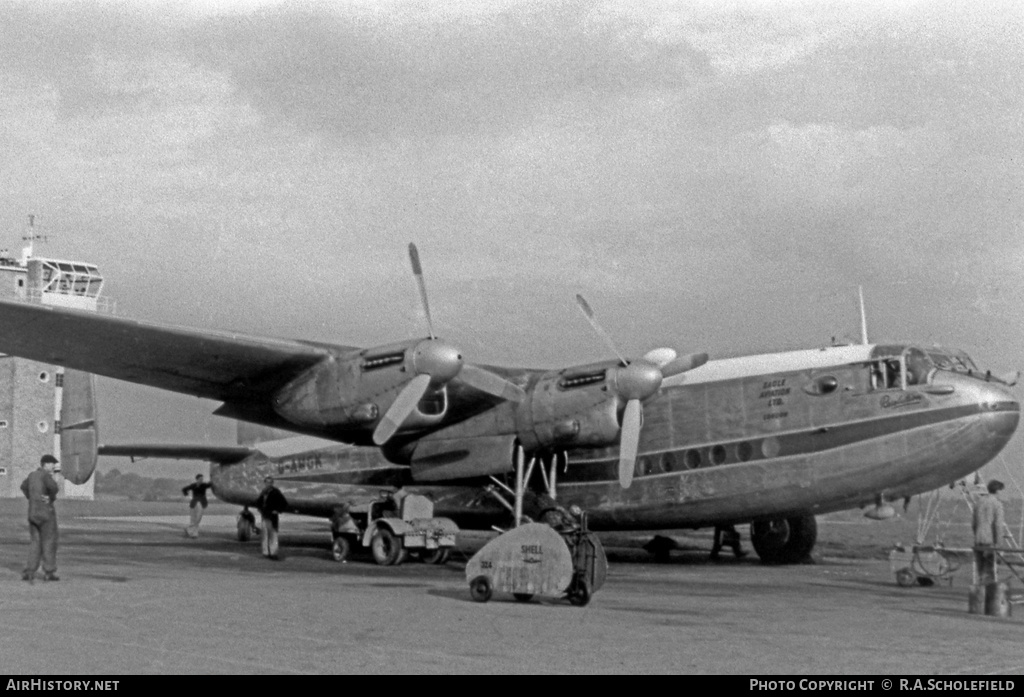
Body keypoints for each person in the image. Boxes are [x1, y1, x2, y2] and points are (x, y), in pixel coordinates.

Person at [21, 454, 61, 583]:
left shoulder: (32, 475)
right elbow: (54, 488)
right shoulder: (46, 476)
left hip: (32, 513)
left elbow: (23, 486)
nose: (54, 466)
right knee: (49, 542)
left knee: (35, 542)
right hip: (45, 513)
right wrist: (50, 497)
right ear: (46, 464)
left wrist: (32, 498)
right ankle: (49, 572)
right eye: (52, 463)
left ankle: (29, 571)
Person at [972, 479, 1007, 585]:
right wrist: (999, 546)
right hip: (990, 541)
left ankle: (979, 592)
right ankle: (989, 595)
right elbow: (998, 526)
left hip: (978, 539)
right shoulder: (997, 504)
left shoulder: (979, 502)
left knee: (980, 569)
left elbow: (973, 524)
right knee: (991, 570)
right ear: (998, 491)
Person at [255, 476, 287, 560]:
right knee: (265, 535)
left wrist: (278, 510)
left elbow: (284, 503)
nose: (268, 484)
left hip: (272, 516)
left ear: (272, 483)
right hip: (265, 516)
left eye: (270, 482)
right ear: (265, 483)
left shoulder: (276, 492)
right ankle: (266, 552)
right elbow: (258, 502)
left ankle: (273, 553)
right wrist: (260, 509)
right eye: (267, 482)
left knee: (273, 535)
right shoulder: (263, 492)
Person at [181, 474, 213, 538]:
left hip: (200, 503)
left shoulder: (204, 485)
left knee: (198, 518)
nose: (201, 480)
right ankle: (193, 533)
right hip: (194, 503)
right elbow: (184, 489)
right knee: (193, 518)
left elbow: (210, 484)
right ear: (197, 479)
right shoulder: (193, 485)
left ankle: (190, 531)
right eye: (200, 479)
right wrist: (186, 494)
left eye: (202, 479)